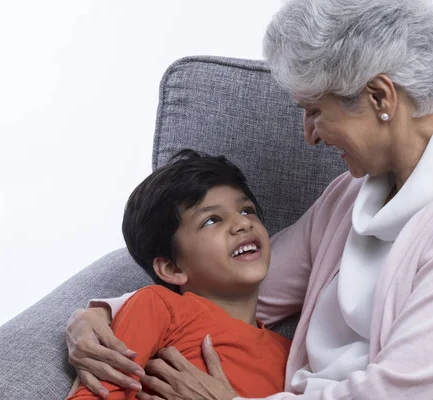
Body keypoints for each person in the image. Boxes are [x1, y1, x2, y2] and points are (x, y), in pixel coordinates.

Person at [65, 0, 433, 398]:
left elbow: (405, 392)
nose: (310, 135)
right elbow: (234, 287)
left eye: (316, 111)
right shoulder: (350, 194)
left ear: (380, 97)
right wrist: (102, 317)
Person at [66, 150, 291, 399]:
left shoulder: (292, 353)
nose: (243, 223)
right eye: (211, 220)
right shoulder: (158, 306)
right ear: (172, 269)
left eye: (247, 210)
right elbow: (98, 393)